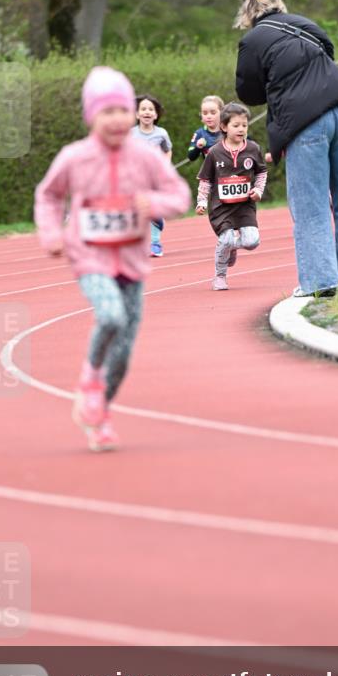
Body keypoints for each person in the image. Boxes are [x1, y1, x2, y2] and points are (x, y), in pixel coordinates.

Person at [34, 67, 190, 451]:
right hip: (89, 257)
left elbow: (179, 195)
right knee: (110, 316)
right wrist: (52, 234)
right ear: (91, 116)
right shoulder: (75, 157)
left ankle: (99, 412)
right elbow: (49, 195)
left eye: (123, 110)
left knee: (122, 357)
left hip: (133, 263)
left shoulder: (145, 157)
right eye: (107, 112)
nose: (117, 119)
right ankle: (89, 377)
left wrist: (152, 203)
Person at [234, 0, 338, 298]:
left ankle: (319, 281)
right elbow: (327, 50)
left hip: (306, 121)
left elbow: (247, 91)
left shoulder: (253, 41)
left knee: (309, 205)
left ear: (247, 9)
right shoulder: (304, 23)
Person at [196, 102, 267, 291]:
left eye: (244, 125)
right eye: (236, 125)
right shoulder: (214, 152)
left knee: (252, 242)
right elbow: (205, 180)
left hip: (245, 205)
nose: (241, 129)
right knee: (226, 239)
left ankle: (231, 248)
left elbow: (261, 172)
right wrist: (201, 201)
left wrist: (258, 190)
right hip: (221, 206)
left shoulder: (253, 149)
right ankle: (220, 276)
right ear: (224, 127)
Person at [130, 94, 173, 257]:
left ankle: (155, 243)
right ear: (136, 114)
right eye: (143, 109)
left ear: (155, 114)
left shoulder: (161, 133)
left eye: (150, 109)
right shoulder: (130, 133)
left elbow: (167, 150)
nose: (147, 112)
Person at [187, 95, 224, 161]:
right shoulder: (199, 133)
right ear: (201, 115)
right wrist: (198, 147)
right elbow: (190, 157)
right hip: (210, 170)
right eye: (205, 113)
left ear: (222, 113)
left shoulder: (228, 131)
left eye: (213, 113)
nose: (208, 116)